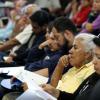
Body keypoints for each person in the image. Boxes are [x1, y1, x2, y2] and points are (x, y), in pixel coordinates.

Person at [41, 33, 96, 100]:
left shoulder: (92, 71)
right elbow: (53, 87)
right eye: (72, 47)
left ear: (87, 54)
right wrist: (60, 65)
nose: (70, 51)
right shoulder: (73, 68)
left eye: (75, 48)